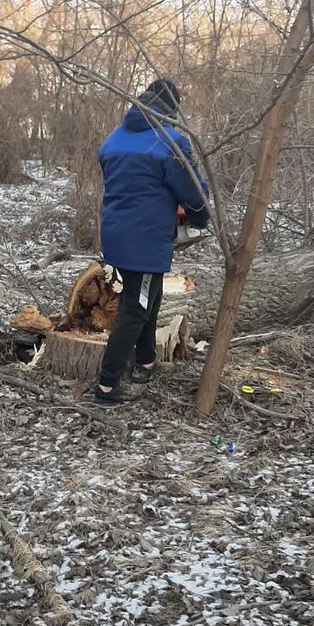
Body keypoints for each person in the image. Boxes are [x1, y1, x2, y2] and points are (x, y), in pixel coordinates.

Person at [95, 78, 210, 405]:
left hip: (117, 233)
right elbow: (192, 190)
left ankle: (145, 361)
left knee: (150, 295)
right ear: (171, 109)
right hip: (143, 240)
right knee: (136, 307)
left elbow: (116, 172)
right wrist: (200, 218)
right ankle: (106, 385)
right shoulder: (170, 141)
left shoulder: (116, 137)